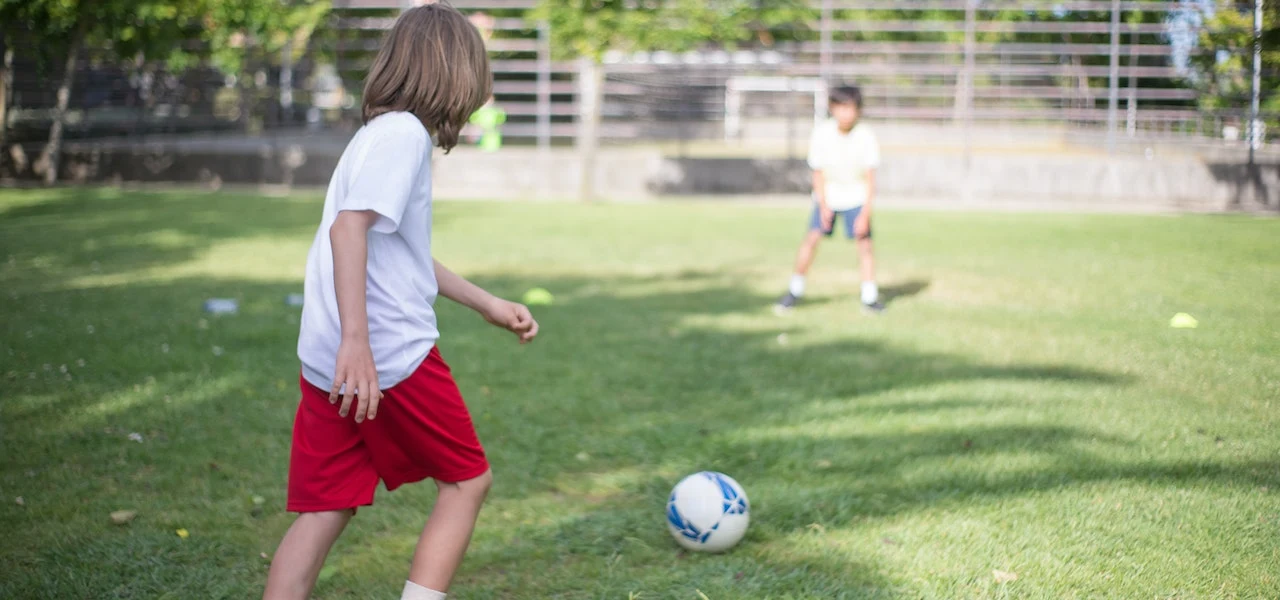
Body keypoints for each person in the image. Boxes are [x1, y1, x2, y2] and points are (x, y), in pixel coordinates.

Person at [263, 5, 538, 600]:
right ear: (454, 72)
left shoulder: (379, 135)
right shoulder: (404, 137)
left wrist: (485, 303)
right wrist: (357, 344)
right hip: (387, 355)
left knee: (326, 507)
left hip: (329, 357)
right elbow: (348, 231)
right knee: (466, 483)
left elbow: (400, 254)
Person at [776, 85, 885, 314]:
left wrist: (865, 213)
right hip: (829, 196)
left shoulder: (865, 136)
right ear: (832, 108)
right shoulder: (822, 133)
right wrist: (823, 205)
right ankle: (794, 291)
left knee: (865, 246)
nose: (845, 113)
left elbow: (870, 178)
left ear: (858, 110)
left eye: (850, 108)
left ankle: (869, 297)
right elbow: (818, 173)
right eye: (841, 107)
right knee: (811, 240)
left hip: (856, 198)